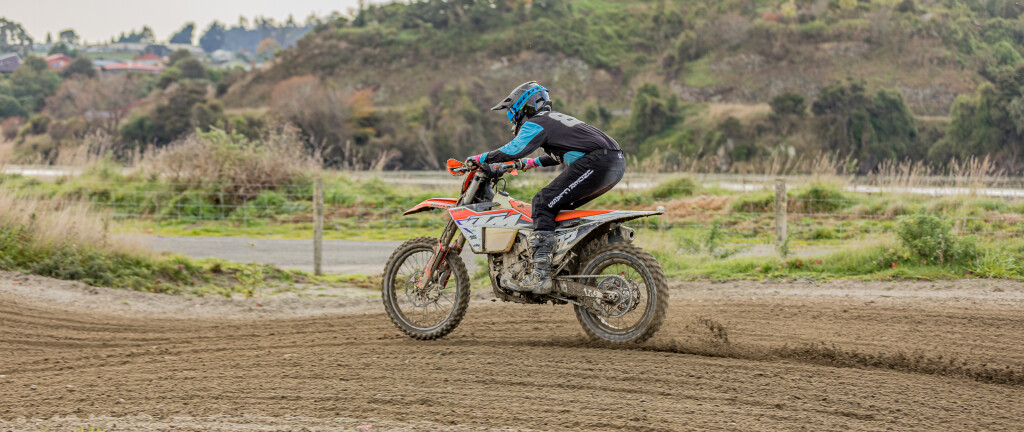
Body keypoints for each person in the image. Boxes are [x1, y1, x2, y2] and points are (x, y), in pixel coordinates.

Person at [465, 81, 625, 295]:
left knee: (542, 203)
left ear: (523, 106)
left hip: (597, 162)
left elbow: (514, 149)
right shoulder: (553, 120)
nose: (511, 118)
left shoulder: (536, 122)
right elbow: (565, 152)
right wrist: (529, 163)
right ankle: (567, 262)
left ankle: (540, 275)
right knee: (559, 209)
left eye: (511, 112)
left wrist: (479, 158)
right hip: (614, 162)